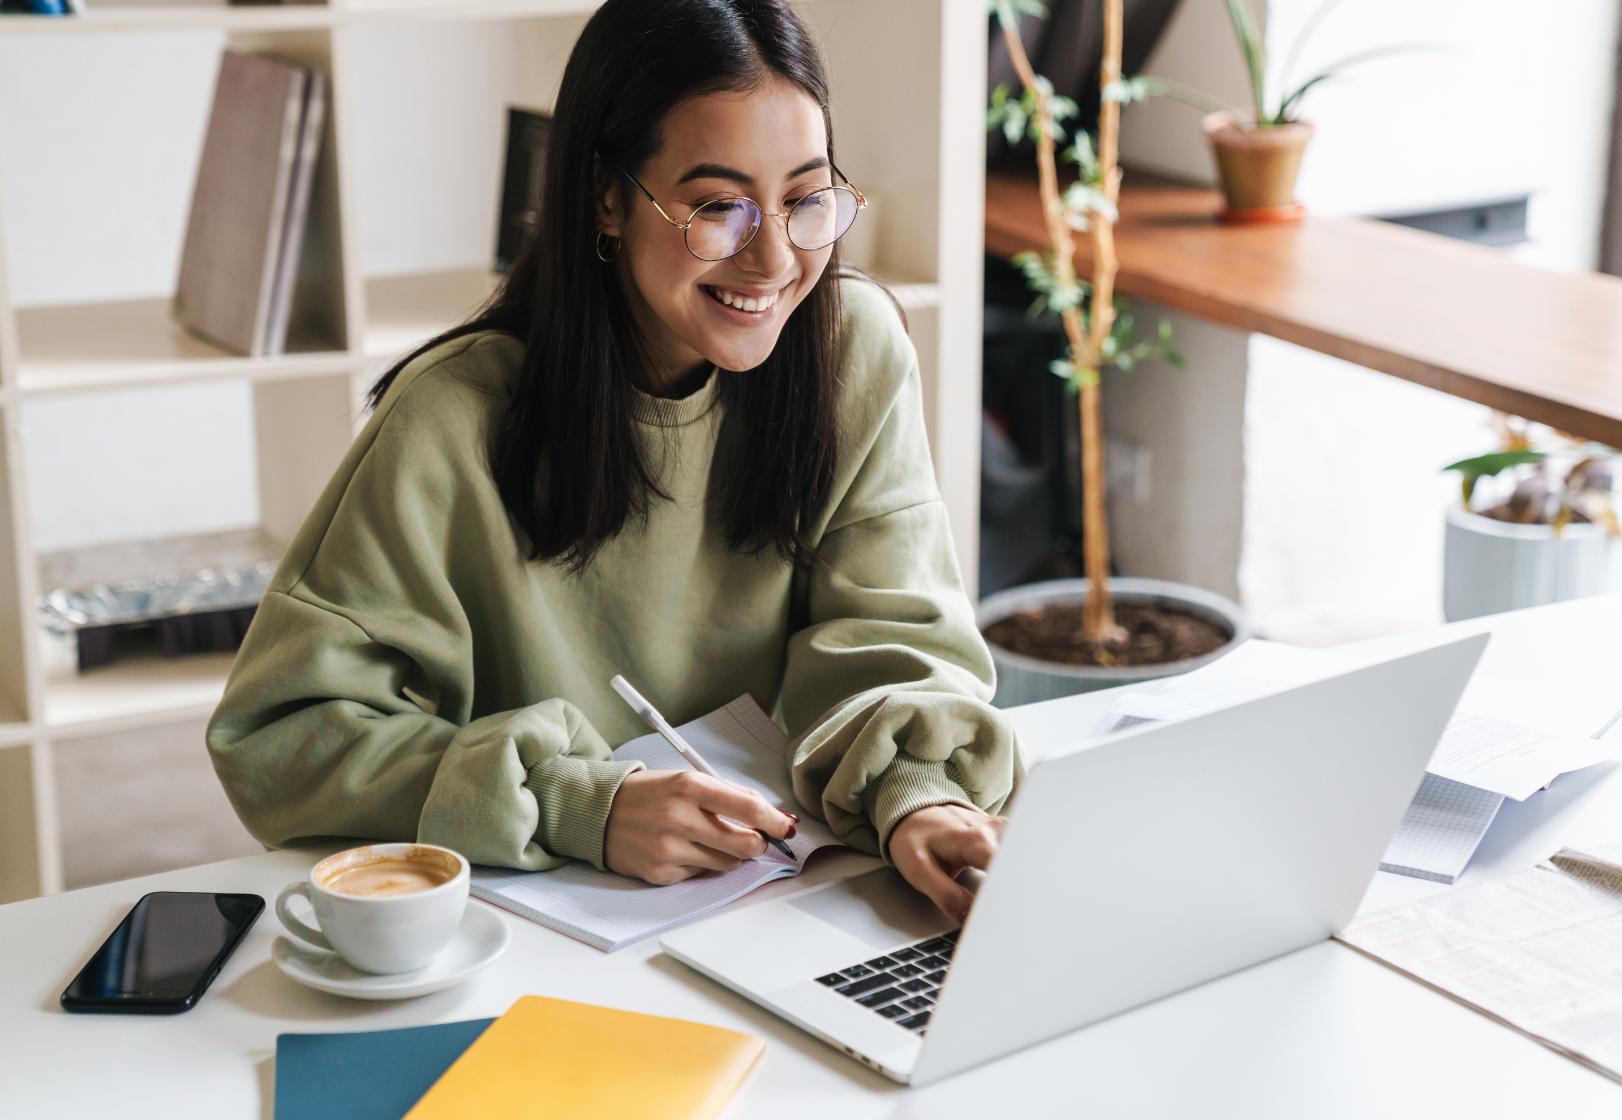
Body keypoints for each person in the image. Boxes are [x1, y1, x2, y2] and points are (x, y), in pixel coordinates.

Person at [207, 0, 1022, 924]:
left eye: (804, 199)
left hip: (790, 900)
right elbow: (281, 737)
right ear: (605, 196)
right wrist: (577, 802)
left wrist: (922, 791)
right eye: (719, 208)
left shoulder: (854, 351)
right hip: (540, 932)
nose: (773, 260)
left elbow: (898, 636)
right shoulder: (450, 420)